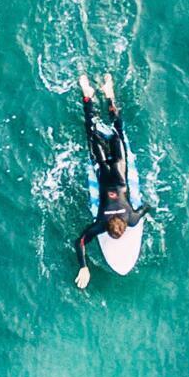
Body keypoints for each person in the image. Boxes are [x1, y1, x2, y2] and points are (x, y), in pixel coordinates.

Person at [74, 71, 147, 288]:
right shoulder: (102, 223)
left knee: (117, 132)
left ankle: (107, 94)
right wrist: (83, 266)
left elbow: (145, 208)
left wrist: (147, 212)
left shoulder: (130, 217)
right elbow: (79, 242)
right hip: (105, 169)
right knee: (93, 133)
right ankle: (87, 94)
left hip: (118, 167)